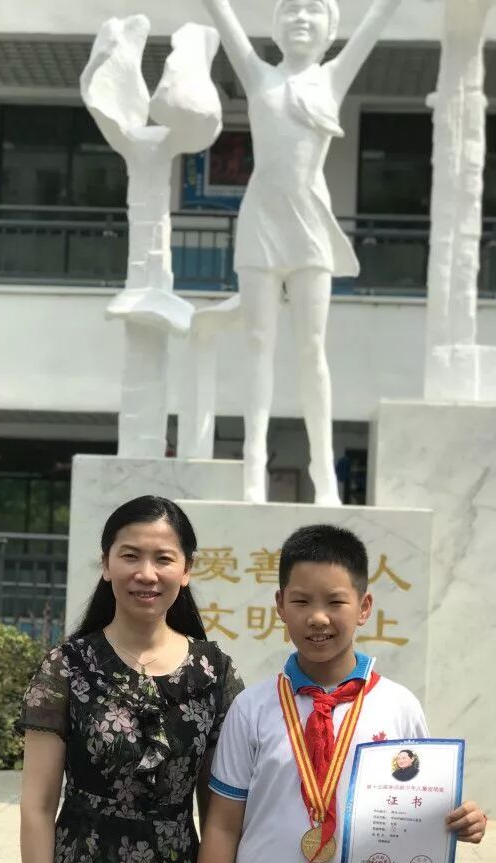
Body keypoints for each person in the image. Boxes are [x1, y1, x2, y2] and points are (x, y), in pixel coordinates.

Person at [188, 524, 487, 863]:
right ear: (280, 606)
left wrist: (461, 821)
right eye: (301, 601)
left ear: (364, 607)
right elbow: (222, 828)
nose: (318, 617)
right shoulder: (252, 709)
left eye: (335, 602)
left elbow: (424, 807)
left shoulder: (399, 707)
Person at [0, 496, 244, 863]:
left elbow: (222, 815)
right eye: (130, 556)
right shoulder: (67, 667)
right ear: (106, 564)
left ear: (187, 569)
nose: (146, 573)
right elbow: (37, 806)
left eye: (163, 558)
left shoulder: (214, 673)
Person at [199, 0, 406, 504]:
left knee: (312, 348)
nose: (300, 19)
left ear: (329, 29)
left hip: (311, 223)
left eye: (313, 10)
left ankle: (324, 472)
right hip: (261, 223)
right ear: (275, 25)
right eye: (290, 9)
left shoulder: (332, 78)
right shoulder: (258, 75)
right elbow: (221, 14)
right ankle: (253, 468)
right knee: (258, 344)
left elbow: (377, 21)